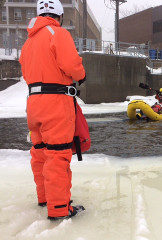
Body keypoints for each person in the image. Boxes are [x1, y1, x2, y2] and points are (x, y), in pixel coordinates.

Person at [19, 0, 86, 220]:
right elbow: (72, 65)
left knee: (39, 151)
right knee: (58, 154)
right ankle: (59, 209)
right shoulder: (58, 34)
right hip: (56, 103)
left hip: (33, 103)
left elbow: (28, 73)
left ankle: (45, 197)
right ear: (59, 16)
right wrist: (81, 76)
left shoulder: (28, 42)